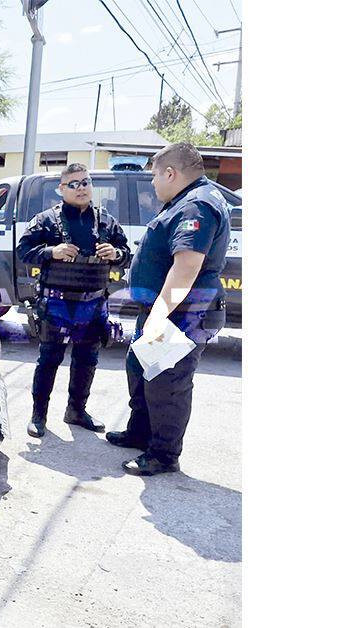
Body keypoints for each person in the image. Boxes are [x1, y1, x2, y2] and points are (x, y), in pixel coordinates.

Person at [107, 143, 230, 476]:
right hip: (170, 310)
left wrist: (159, 316)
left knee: (166, 382)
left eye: (154, 177)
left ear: (170, 173)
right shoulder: (185, 201)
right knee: (140, 369)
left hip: (184, 313)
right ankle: (140, 433)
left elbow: (187, 266)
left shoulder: (197, 206)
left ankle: (163, 454)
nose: (152, 184)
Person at [16, 163, 131, 438]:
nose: (81, 188)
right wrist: (51, 251)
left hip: (93, 304)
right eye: (74, 184)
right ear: (61, 190)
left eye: (85, 182)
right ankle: (38, 416)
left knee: (87, 360)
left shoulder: (106, 221)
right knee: (49, 359)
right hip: (57, 303)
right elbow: (23, 251)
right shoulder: (45, 220)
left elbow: (127, 254)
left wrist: (116, 254)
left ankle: (76, 411)